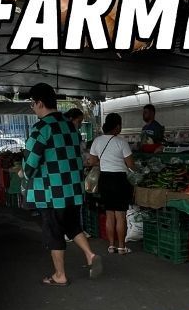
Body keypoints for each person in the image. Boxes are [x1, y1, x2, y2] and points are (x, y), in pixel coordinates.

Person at [23, 82, 102, 285]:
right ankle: (90, 255)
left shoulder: (41, 127)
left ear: (39, 103)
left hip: (51, 191)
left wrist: (24, 173)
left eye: (32, 103)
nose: (32, 107)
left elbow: (31, 161)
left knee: (54, 232)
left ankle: (60, 275)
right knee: (72, 225)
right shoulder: (69, 125)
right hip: (73, 189)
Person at [86, 112, 136, 254]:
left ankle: (111, 246)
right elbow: (131, 164)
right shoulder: (121, 142)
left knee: (109, 214)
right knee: (120, 215)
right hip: (119, 180)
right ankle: (121, 247)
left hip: (105, 179)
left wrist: (106, 162)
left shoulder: (97, 141)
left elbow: (92, 161)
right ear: (118, 126)